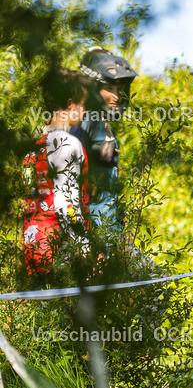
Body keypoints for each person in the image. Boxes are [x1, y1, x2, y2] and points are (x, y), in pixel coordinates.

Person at [22, 68, 94, 275]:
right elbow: (66, 202)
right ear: (70, 104)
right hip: (59, 246)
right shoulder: (68, 143)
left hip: (32, 241)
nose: (86, 112)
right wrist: (83, 247)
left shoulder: (32, 147)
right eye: (84, 105)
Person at [78, 46, 138, 233]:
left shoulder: (102, 121)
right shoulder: (86, 120)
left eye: (120, 89)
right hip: (94, 231)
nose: (117, 96)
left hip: (110, 228)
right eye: (109, 88)